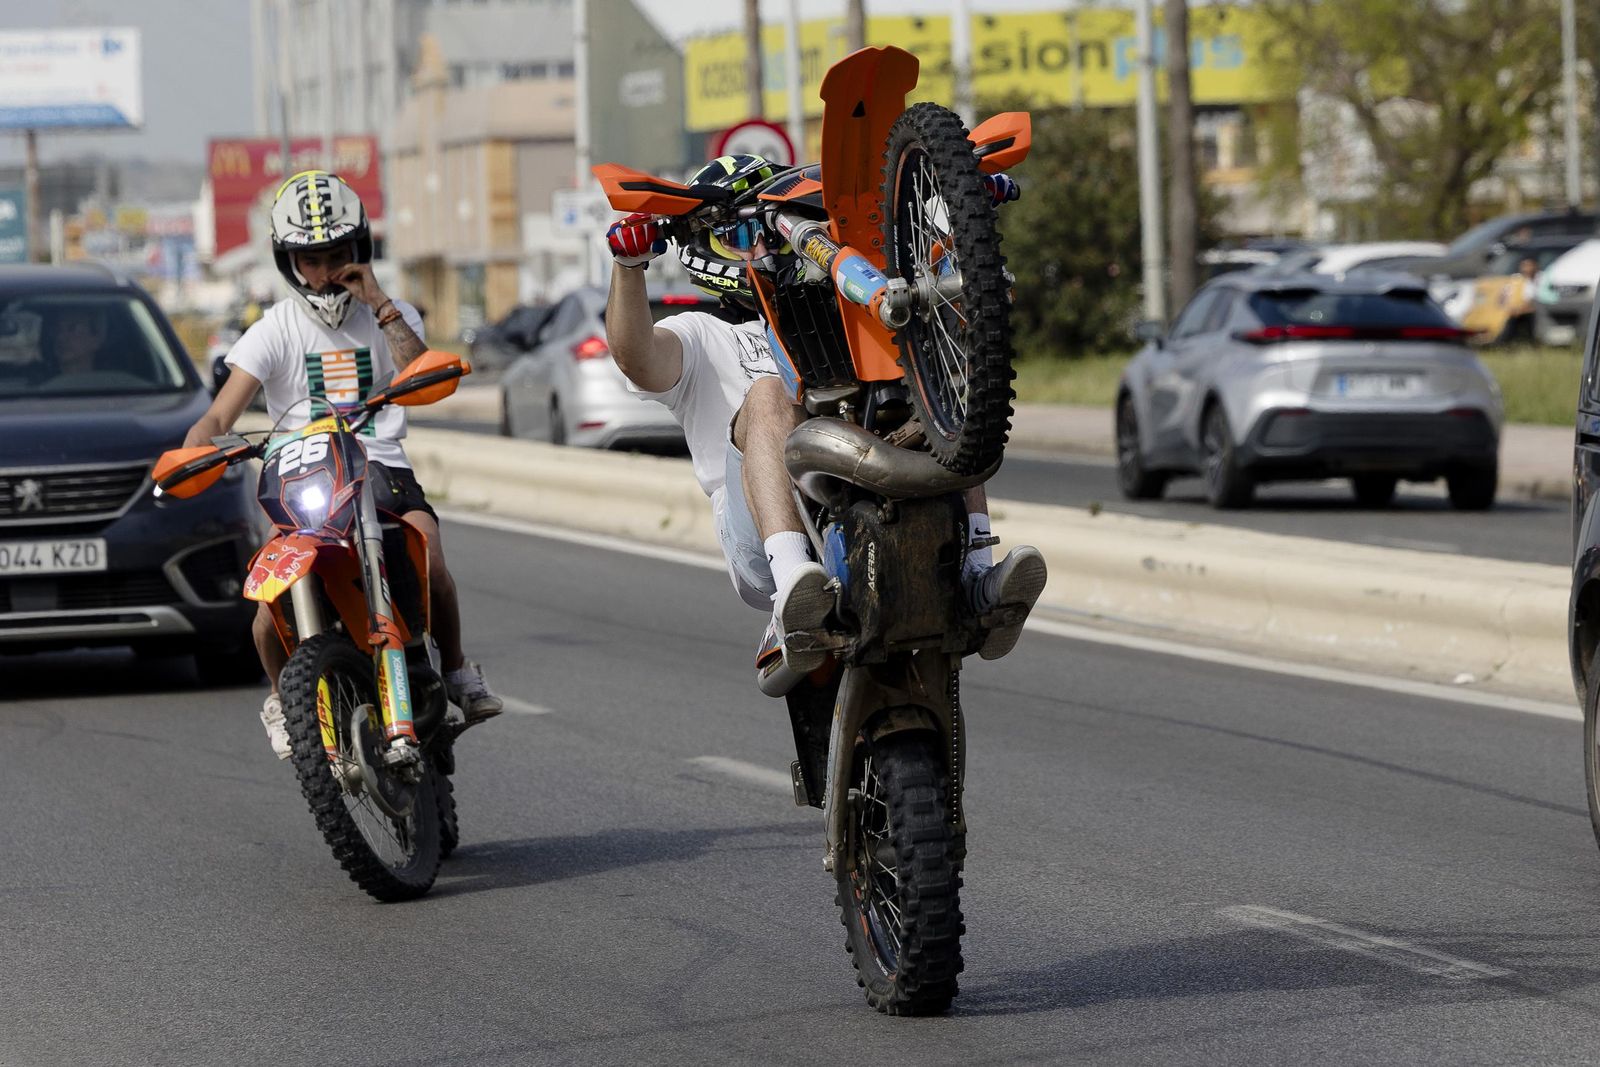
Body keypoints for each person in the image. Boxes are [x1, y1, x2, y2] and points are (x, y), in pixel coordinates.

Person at [604, 154, 1047, 694]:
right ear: (702, 249)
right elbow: (636, 356)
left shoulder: (835, 308)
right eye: (737, 234)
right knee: (769, 392)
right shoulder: (702, 334)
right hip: (759, 534)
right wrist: (629, 265)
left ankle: (978, 570)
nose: (760, 246)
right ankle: (794, 586)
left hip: (857, 481)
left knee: (925, 379)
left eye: (766, 225)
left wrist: (958, 203)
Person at [183, 170, 502, 757]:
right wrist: (197, 444)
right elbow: (218, 415)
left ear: (360, 249)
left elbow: (420, 370)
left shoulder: (393, 311)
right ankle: (284, 700)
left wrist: (377, 301)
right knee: (265, 600)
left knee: (428, 555)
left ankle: (455, 670)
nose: (326, 270)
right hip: (301, 476)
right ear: (288, 262)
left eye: (337, 254)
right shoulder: (273, 328)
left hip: (379, 465)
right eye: (311, 258)